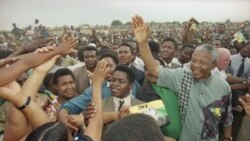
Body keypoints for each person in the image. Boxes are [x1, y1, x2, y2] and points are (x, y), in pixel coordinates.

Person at [132, 15, 233, 141]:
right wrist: (142, 43)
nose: (195, 65)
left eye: (202, 63)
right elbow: (153, 69)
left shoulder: (223, 87)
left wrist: (228, 138)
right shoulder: (181, 76)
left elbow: (227, 117)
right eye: (194, 60)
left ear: (213, 65)